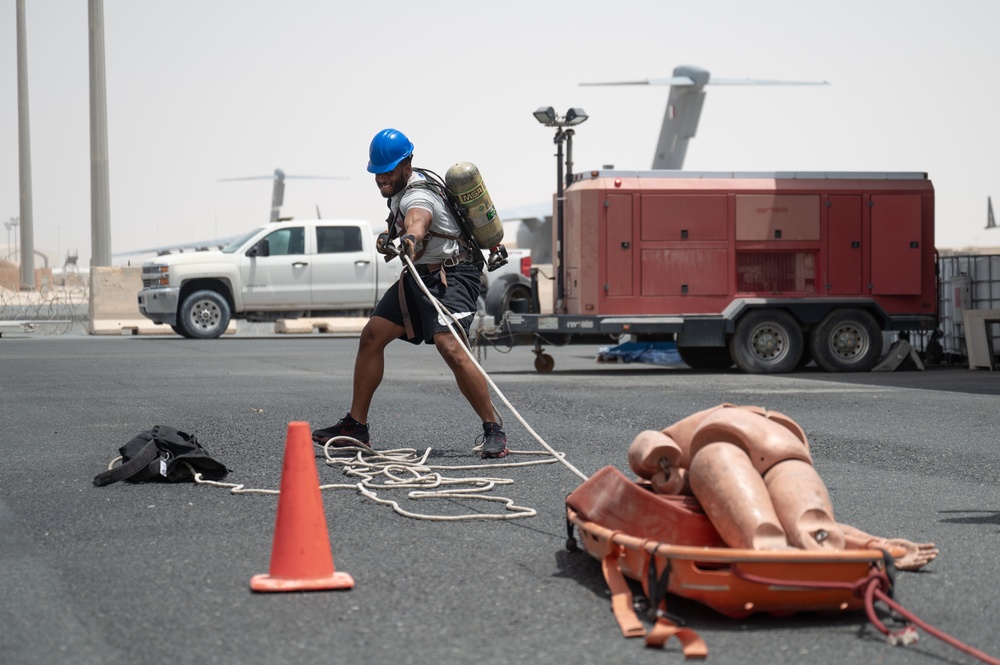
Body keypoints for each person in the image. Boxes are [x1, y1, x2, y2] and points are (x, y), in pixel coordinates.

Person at [312, 128, 508, 458]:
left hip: (454, 275)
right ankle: (356, 428)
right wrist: (391, 239)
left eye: (388, 171)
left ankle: (494, 429)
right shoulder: (399, 192)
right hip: (420, 277)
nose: (382, 178)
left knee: (450, 347)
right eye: (377, 173)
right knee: (373, 335)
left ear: (407, 165)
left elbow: (419, 220)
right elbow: (407, 224)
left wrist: (412, 237)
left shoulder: (419, 195)